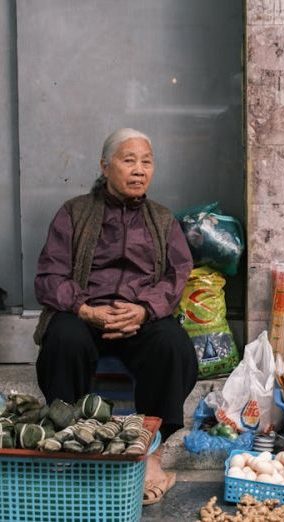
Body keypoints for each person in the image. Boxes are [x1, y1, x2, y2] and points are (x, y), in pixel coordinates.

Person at [33, 128, 198, 505]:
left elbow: (178, 274)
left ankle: (153, 453)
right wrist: (84, 308)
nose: (139, 170)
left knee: (172, 346)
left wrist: (144, 309)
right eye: (129, 160)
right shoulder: (74, 212)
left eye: (147, 161)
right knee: (64, 338)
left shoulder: (162, 219)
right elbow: (49, 277)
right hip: (87, 311)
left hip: (140, 317)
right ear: (105, 166)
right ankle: (67, 447)